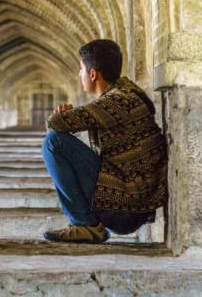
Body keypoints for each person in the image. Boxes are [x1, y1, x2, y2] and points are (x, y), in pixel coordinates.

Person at [42, 39, 168, 243]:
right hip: (129, 203)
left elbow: (55, 123)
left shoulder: (119, 101)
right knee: (59, 142)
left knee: (54, 143)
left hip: (127, 207)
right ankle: (87, 225)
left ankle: (85, 225)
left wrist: (62, 116)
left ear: (93, 74)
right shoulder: (122, 96)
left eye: (81, 69)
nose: (79, 75)